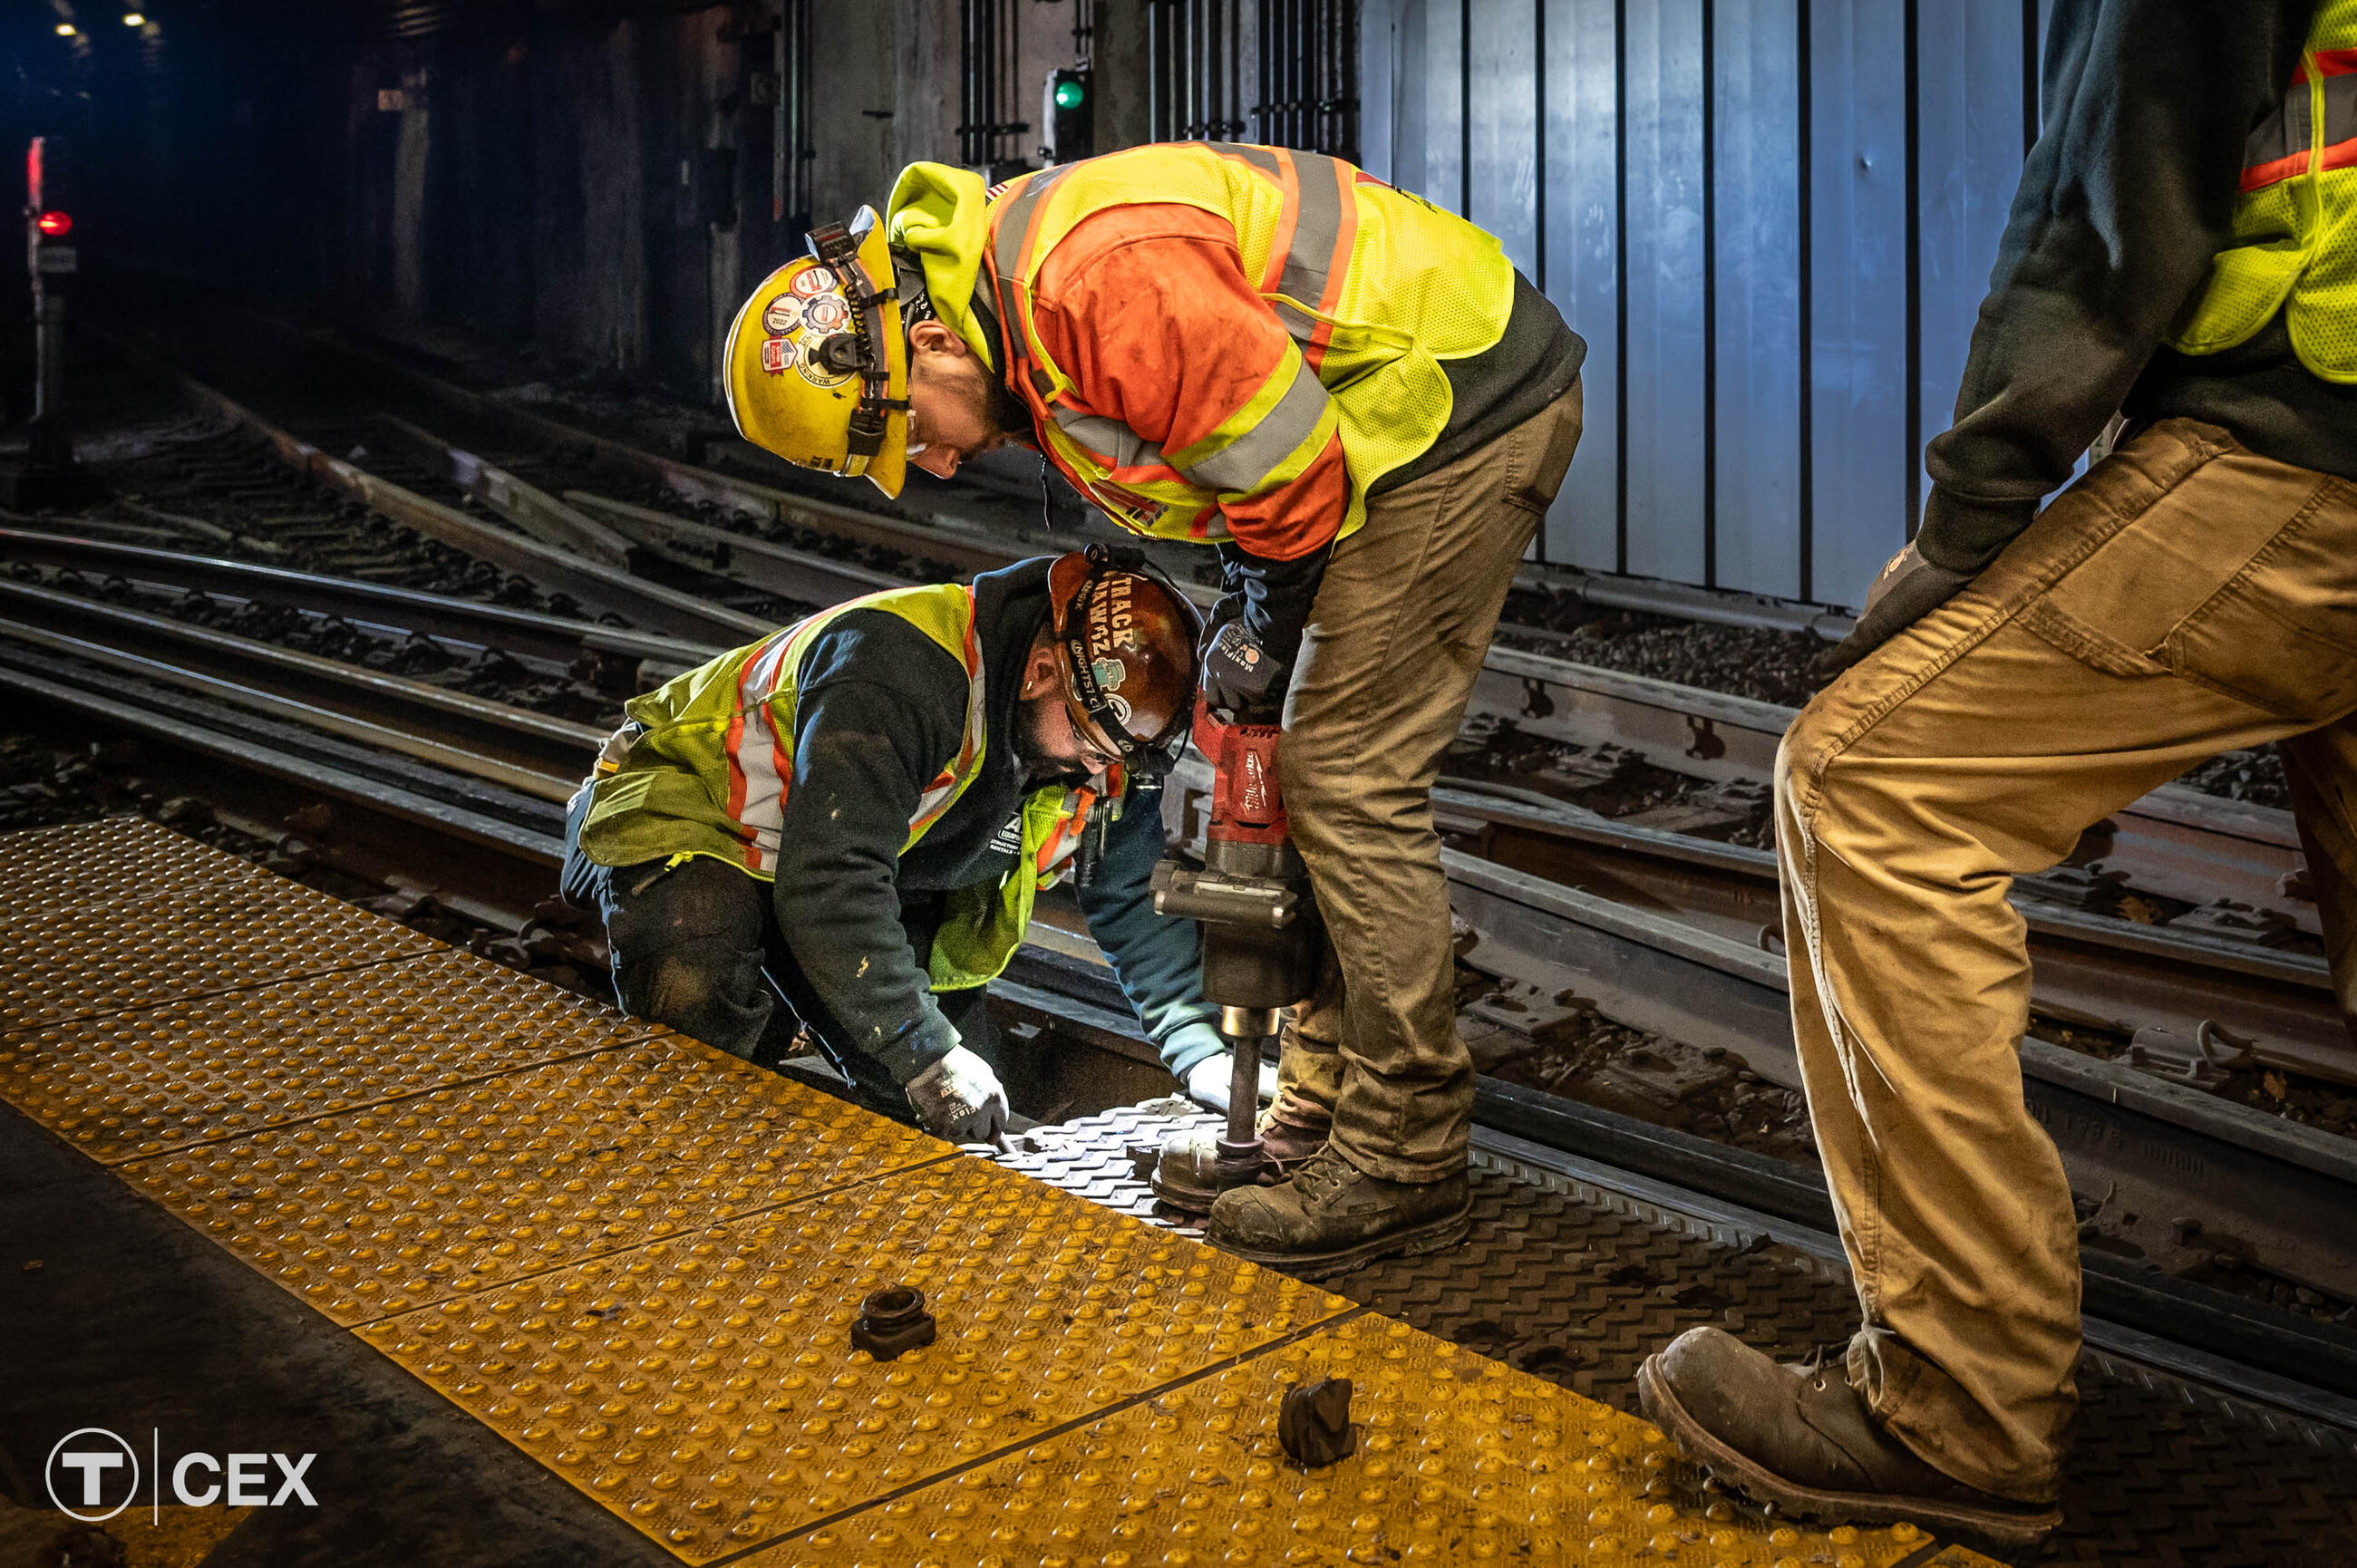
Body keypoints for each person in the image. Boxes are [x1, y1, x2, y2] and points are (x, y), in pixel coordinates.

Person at [1638, 0, 2347, 1550]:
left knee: (1872, 788)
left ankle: (1955, 1413)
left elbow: (2113, 185)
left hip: (2304, 442)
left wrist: (1969, 528)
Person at [719, 141, 1586, 1274]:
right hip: (1378, 427)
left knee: (1342, 773)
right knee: (1293, 755)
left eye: (909, 432)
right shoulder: (1024, 325)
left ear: (927, 341)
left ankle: (1405, 1143)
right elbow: (1225, 459)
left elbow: (1282, 469)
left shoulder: (1087, 280)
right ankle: (1311, 1118)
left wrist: (1267, 628)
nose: (929, 466)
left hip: (1449, 410)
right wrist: (1256, 625)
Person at [563, 546, 1238, 1143]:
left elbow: (1124, 896)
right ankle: (686, 1154)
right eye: (1089, 744)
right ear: (1037, 673)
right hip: (692, 815)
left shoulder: (1101, 741)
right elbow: (833, 881)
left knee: (949, 1118)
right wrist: (922, 1049)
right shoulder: (904, 671)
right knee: (700, 958)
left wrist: (1198, 1051)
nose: (1099, 769)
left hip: (838, 861)